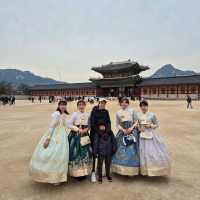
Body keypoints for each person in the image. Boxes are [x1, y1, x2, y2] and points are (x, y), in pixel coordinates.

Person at [29, 100, 70, 185]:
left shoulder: (63, 114)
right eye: (61, 105)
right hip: (55, 136)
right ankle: (51, 177)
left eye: (64, 105)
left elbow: (67, 125)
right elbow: (51, 127)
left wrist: (77, 128)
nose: (63, 107)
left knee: (60, 155)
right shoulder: (56, 114)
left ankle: (58, 176)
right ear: (58, 106)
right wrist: (48, 139)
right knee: (53, 154)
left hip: (62, 136)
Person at [137, 100, 170, 176]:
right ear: (140, 107)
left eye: (145, 106)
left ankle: (152, 170)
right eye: (142, 106)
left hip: (151, 135)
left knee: (151, 152)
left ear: (147, 106)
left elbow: (157, 124)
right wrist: (140, 129)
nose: (143, 108)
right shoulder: (139, 116)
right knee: (142, 152)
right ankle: (144, 171)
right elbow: (138, 125)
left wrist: (150, 126)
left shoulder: (152, 115)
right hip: (142, 136)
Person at [112, 97, 140, 176]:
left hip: (132, 131)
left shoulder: (132, 111)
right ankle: (120, 169)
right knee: (120, 149)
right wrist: (123, 130)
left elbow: (136, 121)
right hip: (122, 132)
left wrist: (131, 128)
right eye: (122, 102)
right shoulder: (118, 112)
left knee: (131, 149)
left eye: (125, 102)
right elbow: (117, 124)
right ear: (120, 103)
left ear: (128, 103)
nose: (124, 104)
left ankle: (132, 170)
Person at [67, 100, 92, 180]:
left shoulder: (88, 114)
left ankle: (84, 172)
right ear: (77, 106)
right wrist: (77, 129)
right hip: (75, 136)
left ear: (85, 106)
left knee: (86, 153)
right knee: (75, 153)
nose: (81, 106)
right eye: (80, 105)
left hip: (85, 135)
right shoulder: (75, 114)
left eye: (83, 105)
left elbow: (90, 125)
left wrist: (87, 129)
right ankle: (76, 173)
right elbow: (69, 124)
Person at [90, 98, 111, 182]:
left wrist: (107, 131)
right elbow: (92, 123)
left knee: (104, 152)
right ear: (98, 103)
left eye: (104, 103)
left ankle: (101, 170)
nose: (102, 104)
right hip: (96, 133)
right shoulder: (94, 111)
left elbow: (108, 122)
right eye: (101, 103)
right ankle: (93, 171)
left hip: (105, 134)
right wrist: (99, 130)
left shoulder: (106, 112)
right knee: (95, 152)